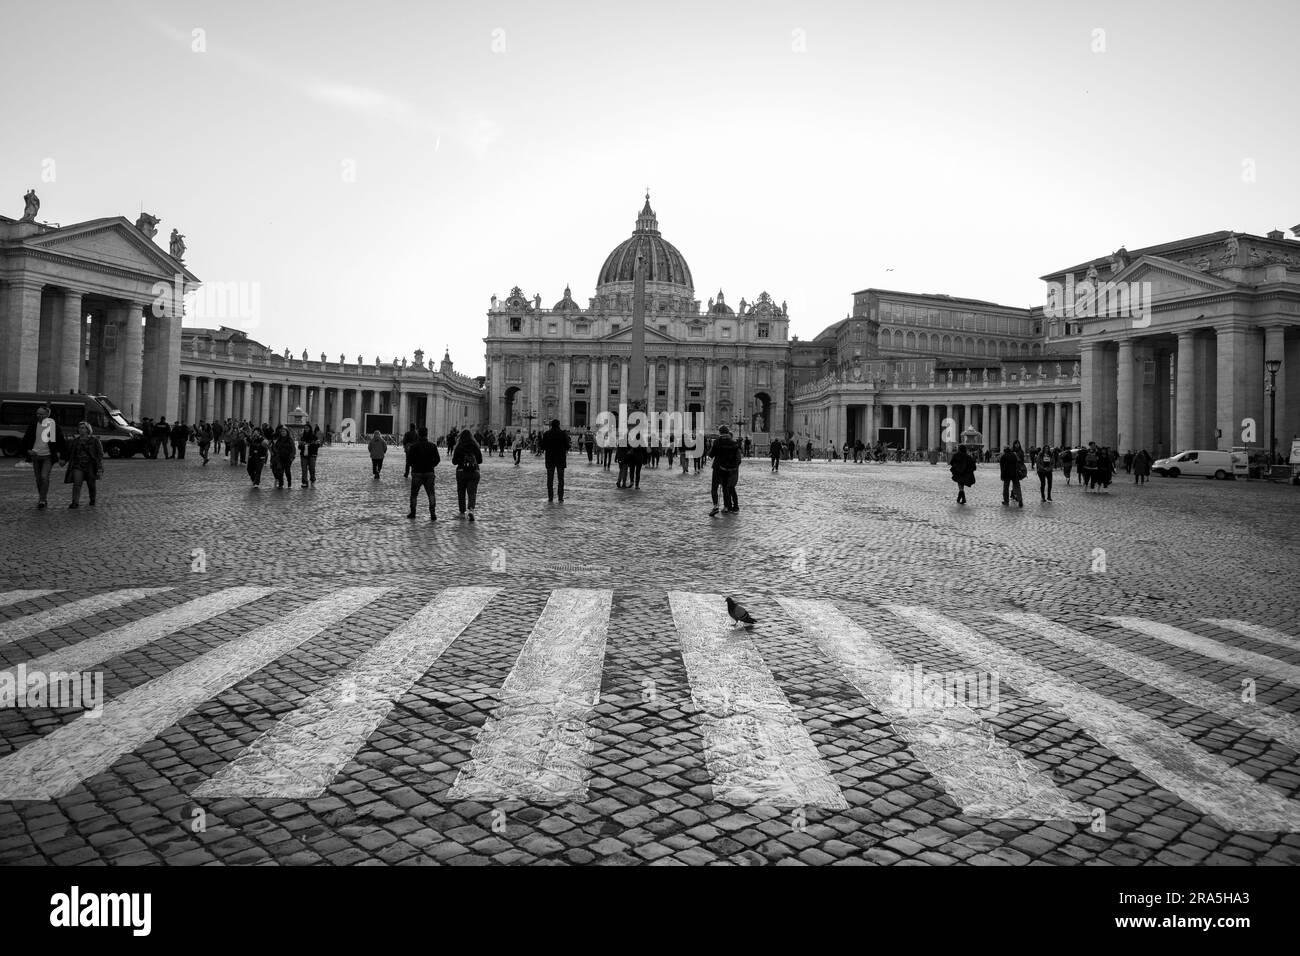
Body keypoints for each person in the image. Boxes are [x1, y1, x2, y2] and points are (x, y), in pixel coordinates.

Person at [21, 404, 68, 510]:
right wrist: (28, 450)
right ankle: (43, 498)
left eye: (41, 414)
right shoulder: (33, 424)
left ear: (47, 414)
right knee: (38, 479)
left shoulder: (52, 425)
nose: (38, 415)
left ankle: (42, 500)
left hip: (48, 456)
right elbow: (26, 438)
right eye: (37, 413)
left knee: (44, 477)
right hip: (35, 455)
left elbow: (60, 442)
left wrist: (63, 457)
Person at [62, 422, 104, 508]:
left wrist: (98, 464)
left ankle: (92, 499)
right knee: (77, 484)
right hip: (78, 465)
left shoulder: (95, 440)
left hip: (90, 465)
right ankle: (75, 502)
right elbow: (70, 453)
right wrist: (64, 460)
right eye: (80, 428)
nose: (81, 429)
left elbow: (100, 454)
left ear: (88, 429)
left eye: (83, 428)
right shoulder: (75, 441)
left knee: (91, 484)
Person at [407, 426, 441, 520]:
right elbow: (438, 459)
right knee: (431, 494)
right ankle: (433, 513)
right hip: (429, 472)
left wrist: (414, 466)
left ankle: (413, 513)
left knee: (414, 494)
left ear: (418, 434)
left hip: (417, 473)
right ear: (427, 435)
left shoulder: (414, 446)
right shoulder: (432, 446)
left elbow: (409, 461)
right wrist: (431, 466)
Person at [708, 425, 741, 516]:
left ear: (720, 432)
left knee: (714, 488)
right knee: (725, 488)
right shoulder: (733, 442)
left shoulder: (717, 442)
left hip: (717, 467)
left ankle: (715, 506)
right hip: (728, 469)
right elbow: (736, 457)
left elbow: (711, 454)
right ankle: (726, 507)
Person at [452, 429, 482, 521]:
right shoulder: (475, 446)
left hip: (461, 472)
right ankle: (471, 510)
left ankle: (462, 512)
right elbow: (480, 460)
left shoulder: (459, 446)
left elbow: (454, 462)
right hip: (474, 472)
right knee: (472, 492)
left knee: (461, 492)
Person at [539, 419, 570, 502]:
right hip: (560, 459)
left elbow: (542, 447)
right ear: (559, 425)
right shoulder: (563, 434)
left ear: (551, 425)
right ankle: (560, 497)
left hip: (550, 458)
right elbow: (567, 446)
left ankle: (550, 497)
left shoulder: (547, 434)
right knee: (561, 479)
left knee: (550, 479)